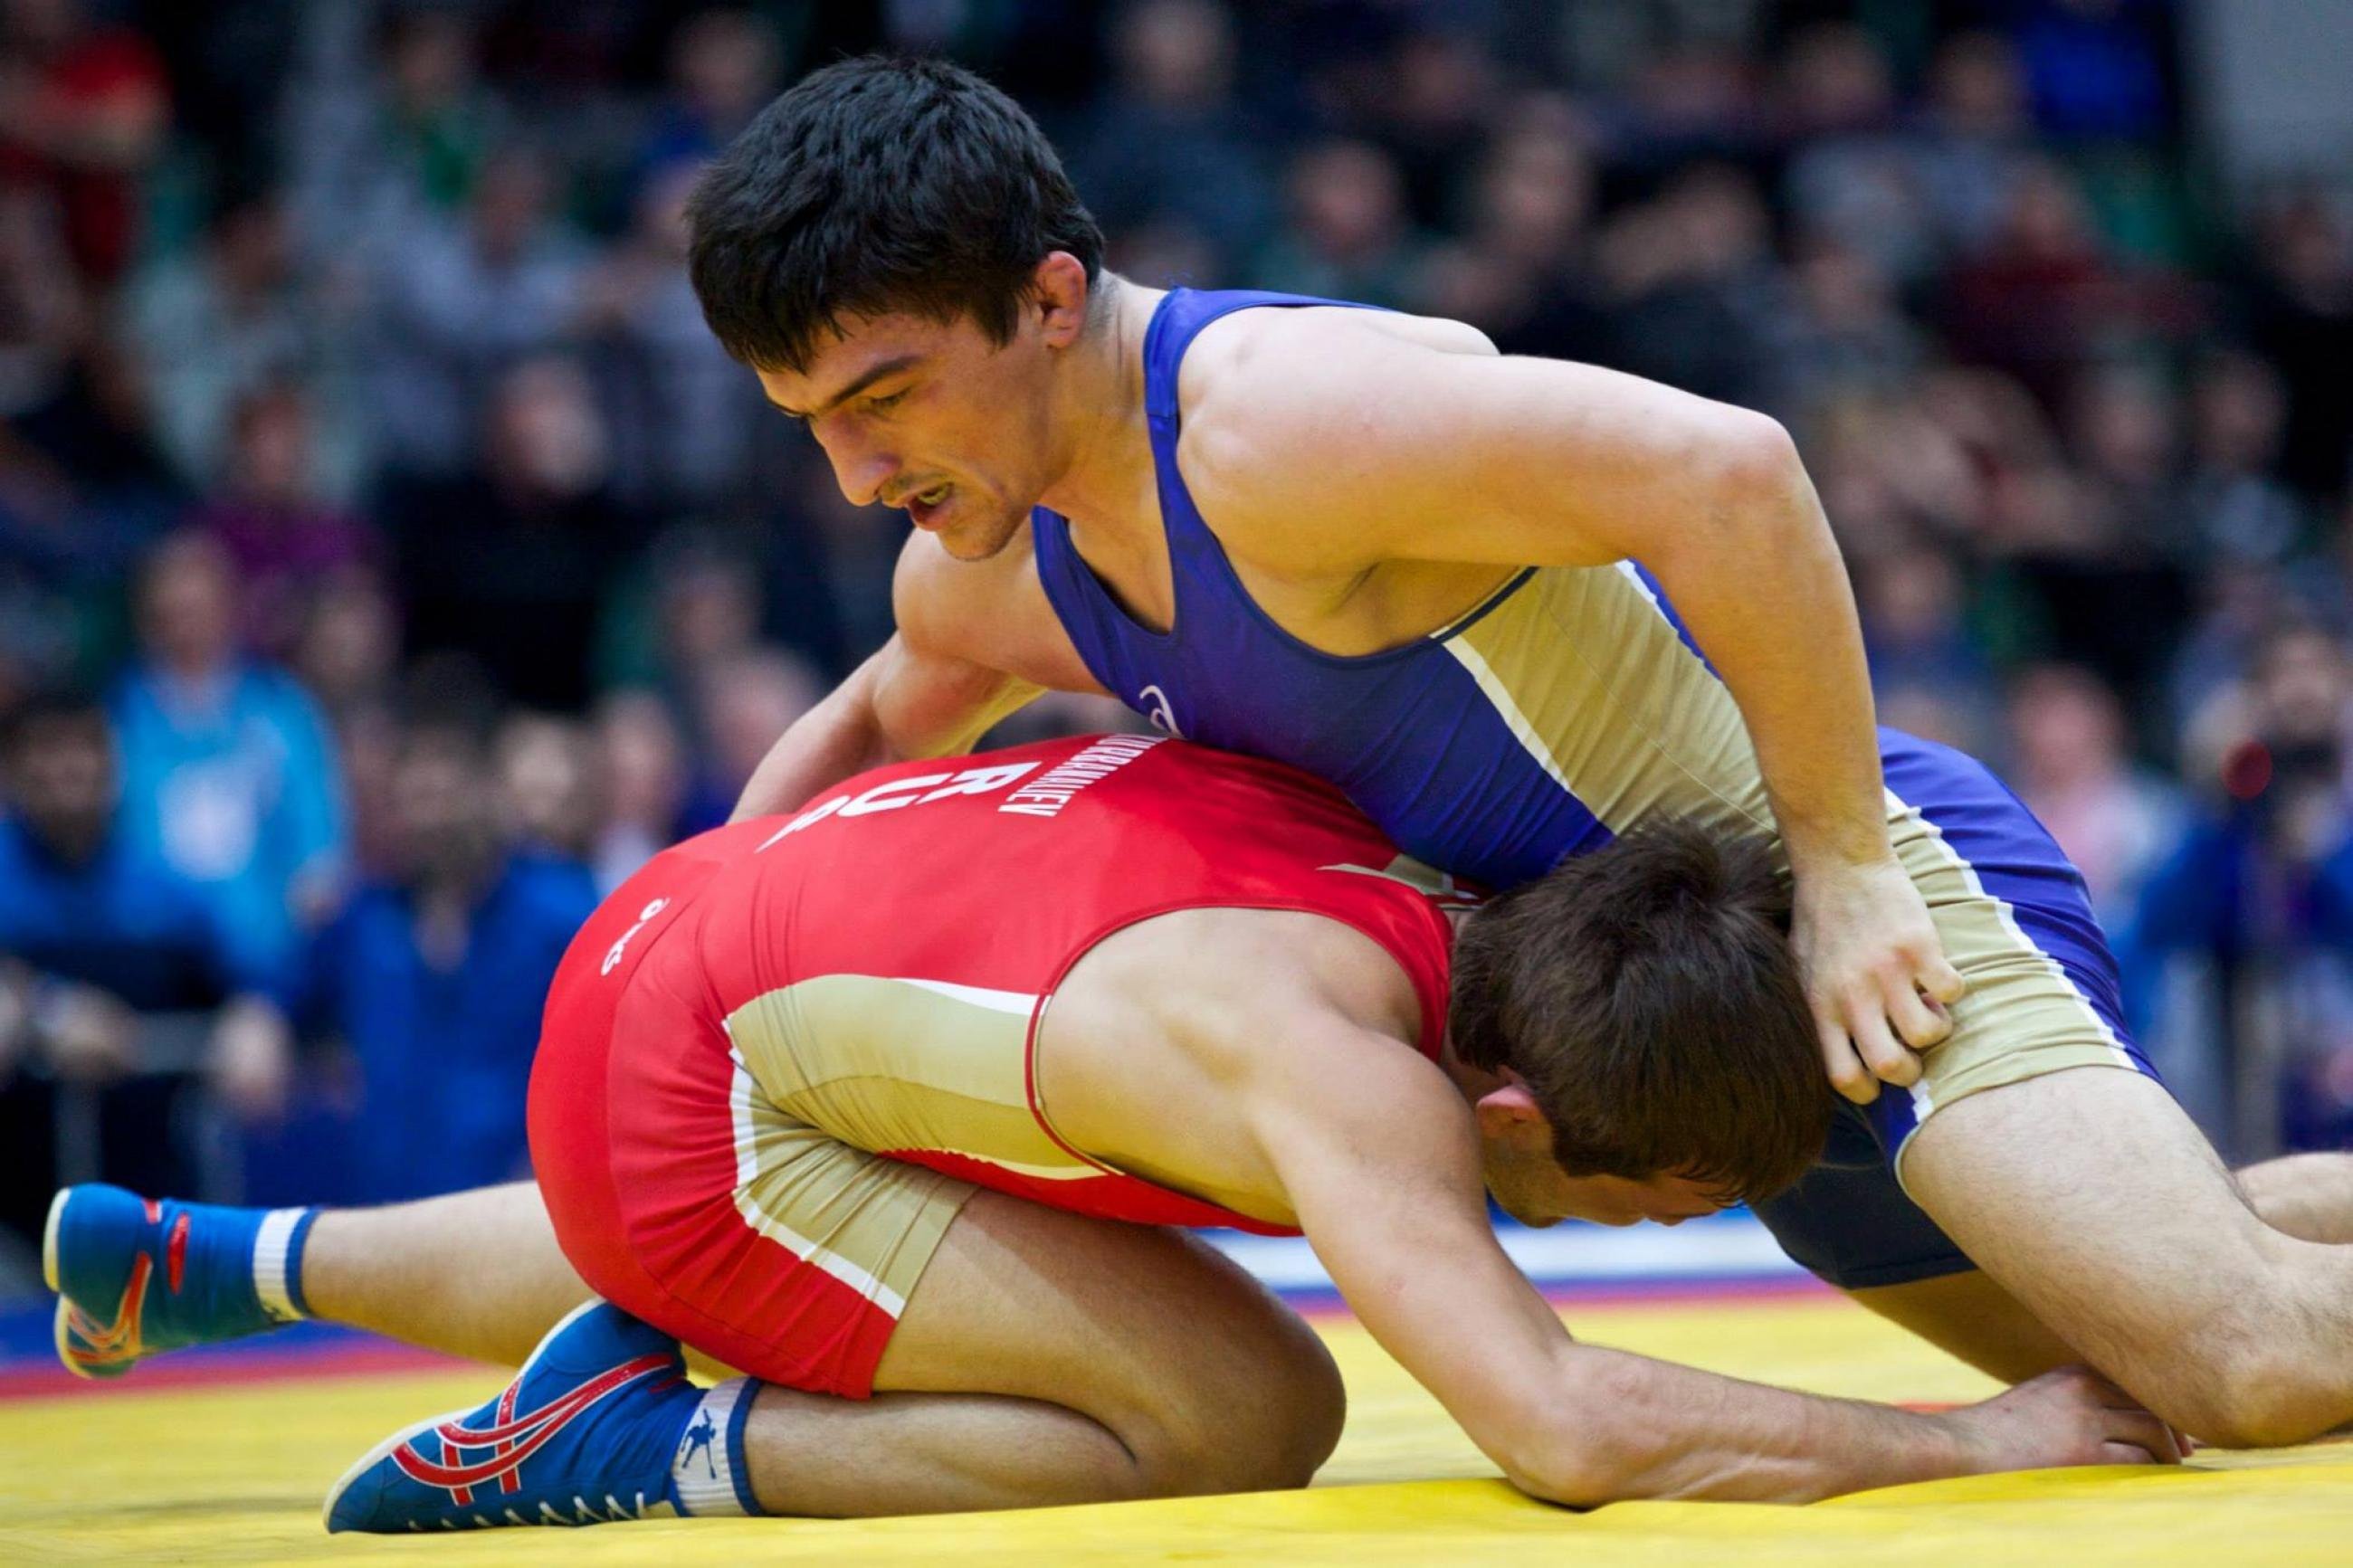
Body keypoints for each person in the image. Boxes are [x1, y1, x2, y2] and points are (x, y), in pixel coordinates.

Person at [676, 56, 2353, 1456]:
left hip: (1853, 898)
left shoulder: (1272, 425)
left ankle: (2137, 1199)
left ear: (1048, 298)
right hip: (1693, 1017)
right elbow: (880, 715)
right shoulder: (1008, 554)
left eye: (884, 397)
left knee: (2246, 1364)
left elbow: (1736, 474)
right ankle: (2161, 1210)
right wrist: (690, 981)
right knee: (2140, 1343)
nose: (851, 470)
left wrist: (1843, 870)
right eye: (813, 417)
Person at [48, 734, 2205, 1532]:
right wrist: (1970, 1444)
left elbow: (939, 671)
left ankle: (206, 1261)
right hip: (692, 1094)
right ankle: (638, 1454)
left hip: (704, 936)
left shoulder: (1374, 834)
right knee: (1243, 1402)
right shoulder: (1342, 1070)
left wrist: (728, 859)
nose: (1530, 1225)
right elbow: (1551, 1427)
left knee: (907, 1183)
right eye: (1599, 1197)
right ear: (1518, 1104)